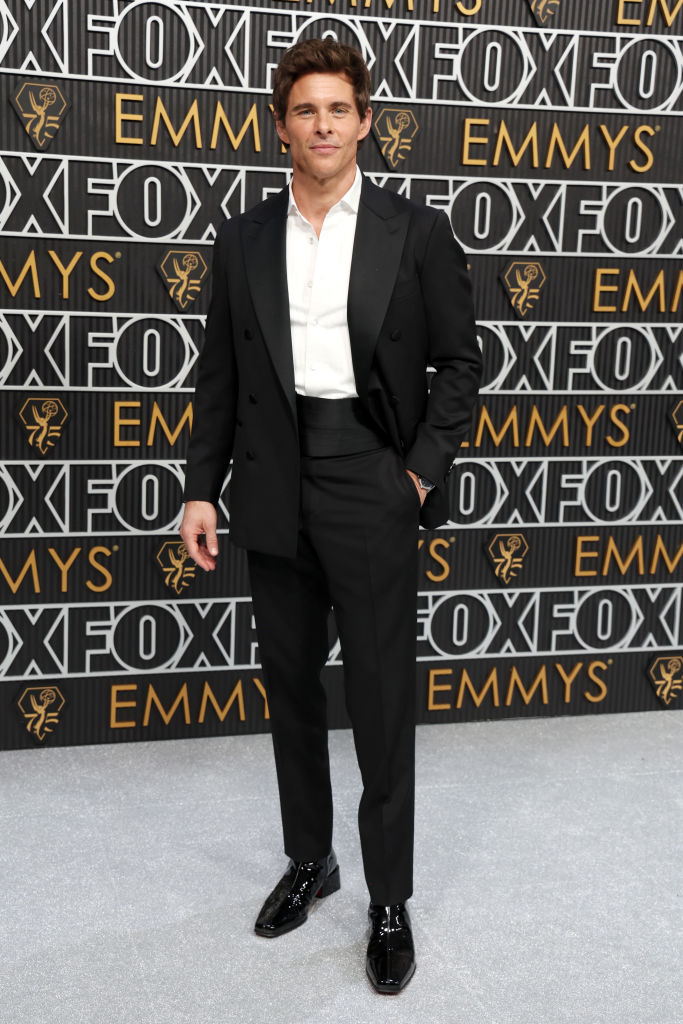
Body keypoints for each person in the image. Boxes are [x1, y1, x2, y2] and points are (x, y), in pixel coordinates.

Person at [179, 37, 481, 994]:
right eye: (304, 110)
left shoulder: (414, 232)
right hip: (271, 482)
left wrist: (417, 477)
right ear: (282, 124)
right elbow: (220, 380)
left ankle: (386, 899)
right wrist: (199, 487)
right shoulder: (242, 239)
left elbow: (460, 366)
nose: (322, 125)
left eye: (338, 109)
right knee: (292, 689)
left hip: (370, 478)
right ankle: (311, 861)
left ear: (362, 121)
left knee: (383, 703)